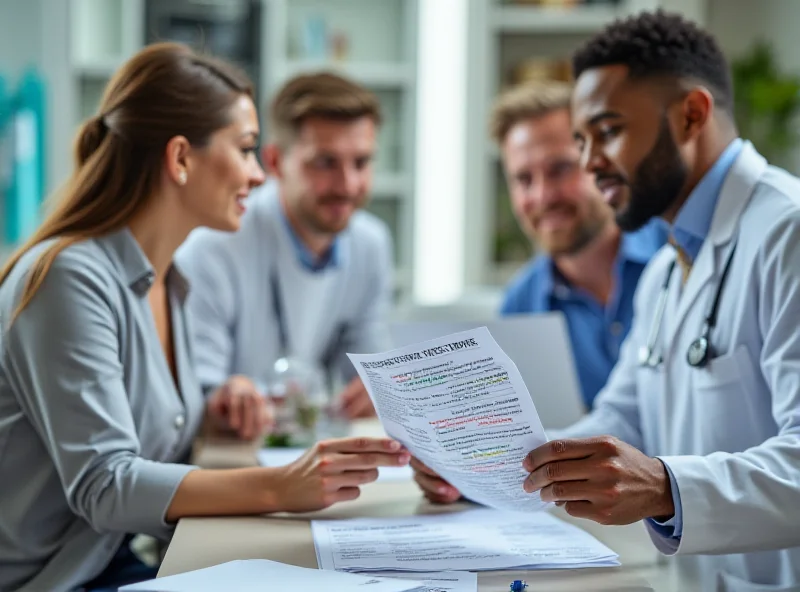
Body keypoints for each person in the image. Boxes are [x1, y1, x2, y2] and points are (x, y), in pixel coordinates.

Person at [412, 10, 800, 590]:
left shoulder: (787, 234)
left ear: (692, 114)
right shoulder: (669, 267)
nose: (593, 163)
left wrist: (665, 487)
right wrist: (488, 466)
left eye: (609, 131)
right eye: (584, 140)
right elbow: (622, 417)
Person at [0, 43, 409, 592]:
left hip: (104, 562)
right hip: (50, 580)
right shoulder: (70, 278)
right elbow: (105, 484)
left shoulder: (166, 280)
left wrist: (216, 413)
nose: (257, 175)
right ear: (180, 159)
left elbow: (155, 436)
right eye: (244, 150)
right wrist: (282, 485)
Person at [176, 71, 393, 421]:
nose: (348, 184)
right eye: (325, 163)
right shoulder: (212, 247)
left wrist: (376, 390)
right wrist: (226, 398)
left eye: (362, 162)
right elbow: (198, 392)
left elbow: (369, 368)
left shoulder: (371, 244)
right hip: (233, 463)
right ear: (275, 161)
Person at [491, 81, 666, 408]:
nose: (542, 196)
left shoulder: (678, 256)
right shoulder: (520, 308)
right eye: (523, 179)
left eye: (560, 169)